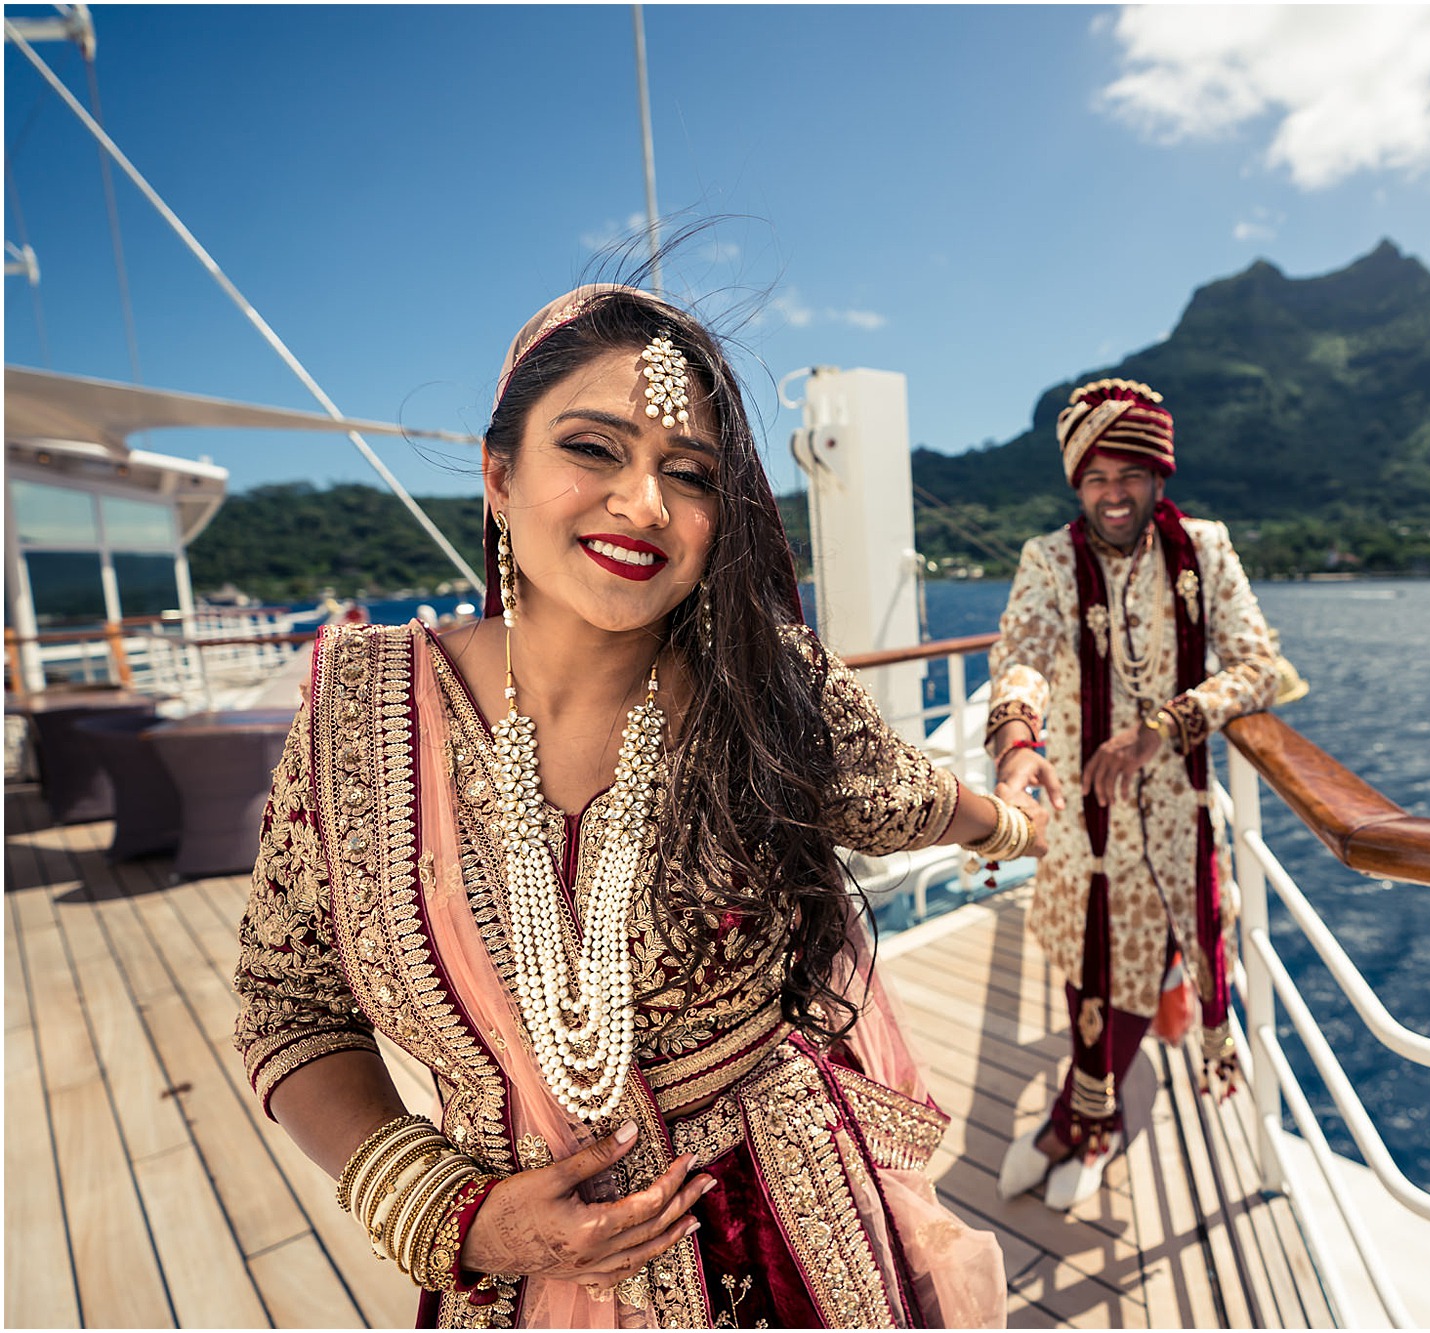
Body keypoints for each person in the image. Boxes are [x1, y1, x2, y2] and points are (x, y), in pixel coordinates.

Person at [232, 281, 1038, 1328]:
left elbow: (903, 800)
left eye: (689, 474)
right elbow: (286, 1000)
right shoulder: (358, 705)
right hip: (510, 1276)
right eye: (593, 449)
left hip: (788, 1240)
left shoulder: (762, 689)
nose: (644, 504)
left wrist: (1019, 819)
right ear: (496, 472)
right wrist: (445, 1209)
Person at [985, 378, 1279, 1211]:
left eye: (1128, 476)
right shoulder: (1048, 560)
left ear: (1158, 477)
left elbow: (1259, 666)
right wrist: (1018, 743)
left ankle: (1084, 1123)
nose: (1112, 495)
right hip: (1081, 809)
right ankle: (1086, 1119)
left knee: (1142, 973)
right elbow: (1025, 657)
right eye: (1095, 479)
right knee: (1089, 964)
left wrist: (1166, 725)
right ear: (1077, 485)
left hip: (1176, 817)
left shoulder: (1207, 552)